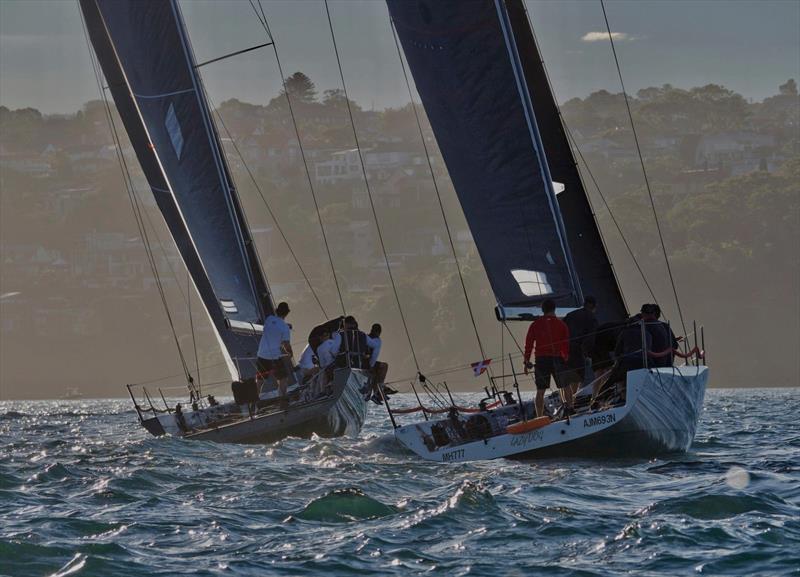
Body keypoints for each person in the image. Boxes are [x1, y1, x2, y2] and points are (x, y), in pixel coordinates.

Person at [523, 299, 571, 418]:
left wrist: (526, 361)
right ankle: (570, 409)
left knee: (540, 390)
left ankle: (539, 417)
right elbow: (565, 344)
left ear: (542, 310)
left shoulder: (535, 325)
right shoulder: (562, 325)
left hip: (541, 360)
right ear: (554, 309)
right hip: (557, 358)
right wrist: (565, 357)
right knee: (565, 386)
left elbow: (528, 344)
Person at [256, 301, 293, 403]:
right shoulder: (285, 328)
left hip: (261, 355)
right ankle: (283, 400)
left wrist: (285, 326)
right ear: (286, 313)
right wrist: (290, 353)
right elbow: (286, 344)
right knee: (283, 378)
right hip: (274, 358)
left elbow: (273, 327)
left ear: (277, 311)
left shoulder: (269, 319)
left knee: (260, 381)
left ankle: (253, 402)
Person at [562, 296, 599, 393]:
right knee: (577, 377)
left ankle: (566, 402)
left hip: (565, 349)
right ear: (592, 306)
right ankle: (572, 400)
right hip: (577, 350)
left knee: (566, 378)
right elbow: (591, 337)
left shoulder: (570, 315)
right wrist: (588, 354)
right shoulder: (591, 317)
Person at [363, 323, 392, 404]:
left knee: (381, 368)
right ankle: (377, 391)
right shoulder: (373, 340)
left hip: (368, 363)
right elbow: (370, 355)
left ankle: (377, 391)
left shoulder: (371, 339)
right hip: (366, 364)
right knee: (383, 367)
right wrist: (371, 366)